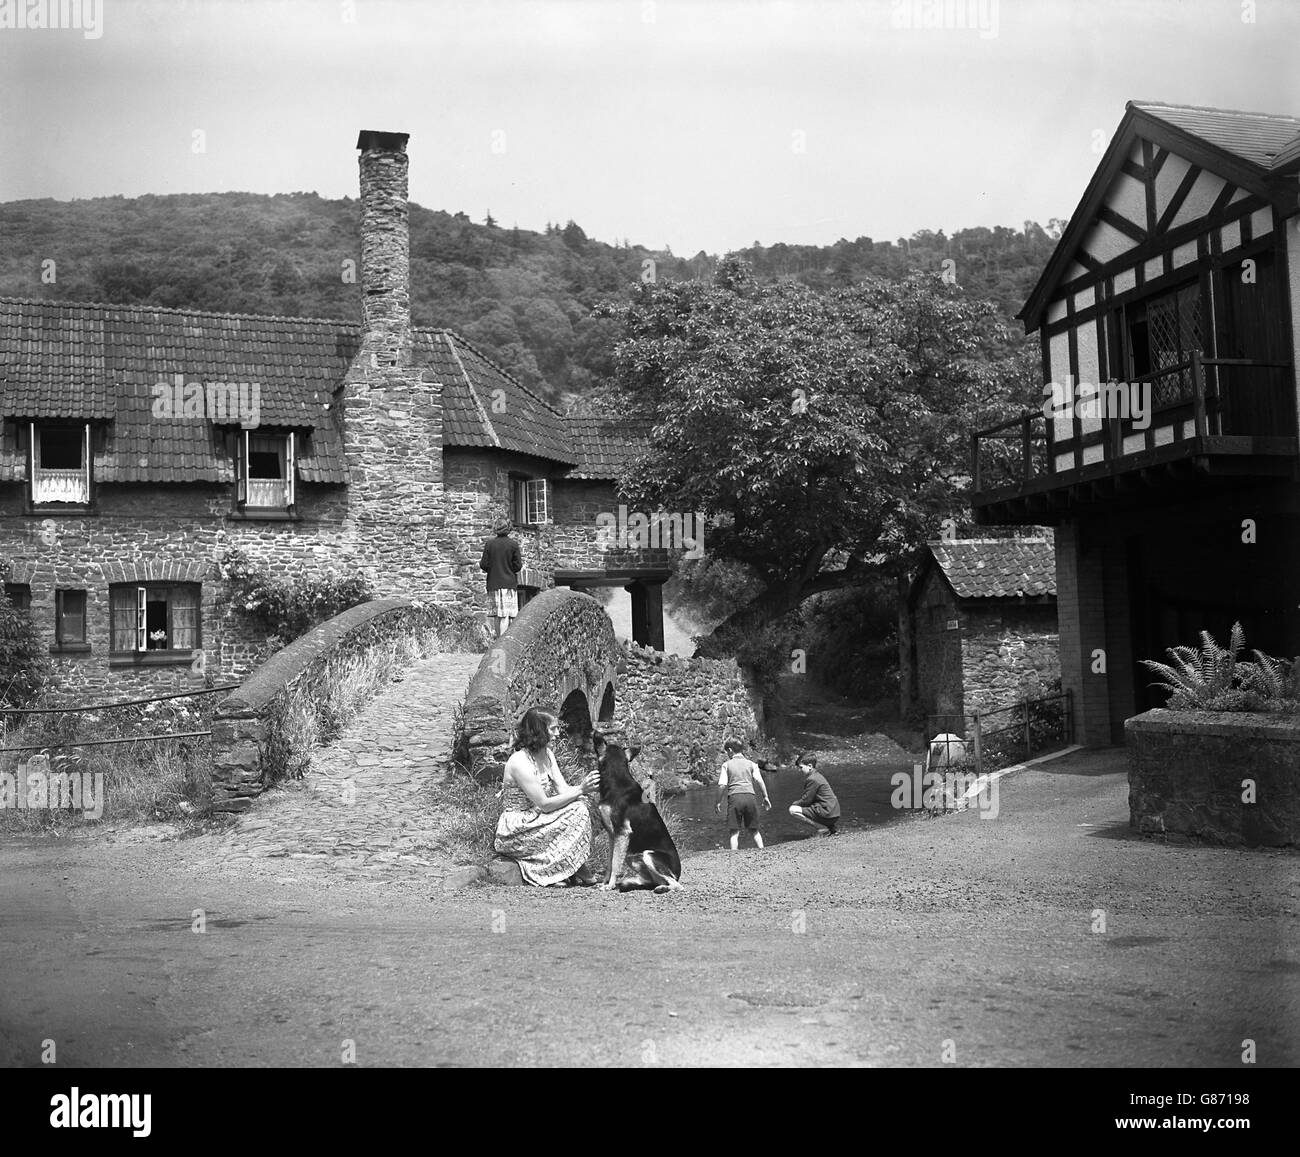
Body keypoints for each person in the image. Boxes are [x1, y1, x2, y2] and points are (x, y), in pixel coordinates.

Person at [494, 708, 600, 887]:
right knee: (578, 808)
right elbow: (544, 804)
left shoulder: (547, 755)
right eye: (553, 729)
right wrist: (581, 789)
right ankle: (557, 870)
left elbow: (563, 789)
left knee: (584, 804)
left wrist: (587, 789)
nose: (558, 733)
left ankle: (571, 864)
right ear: (539, 731)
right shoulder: (519, 762)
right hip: (518, 826)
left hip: (537, 816)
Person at [714, 738, 771, 851]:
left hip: (735, 797)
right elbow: (760, 781)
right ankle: (762, 850)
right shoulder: (752, 764)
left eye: (727, 752)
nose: (727, 754)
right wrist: (765, 797)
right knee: (754, 828)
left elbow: (722, 785)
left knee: (734, 831)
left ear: (730, 750)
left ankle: (734, 854)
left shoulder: (726, 765)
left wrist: (718, 801)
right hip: (750, 797)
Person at [479, 520, 522, 638]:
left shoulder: (490, 544)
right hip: (509, 583)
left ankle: (498, 640)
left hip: (493, 583)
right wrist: (508, 568)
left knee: (498, 615)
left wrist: (494, 569)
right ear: (508, 528)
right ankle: (503, 643)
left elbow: (483, 564)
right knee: (507, 615)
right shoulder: (513, 544)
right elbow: (518, 566)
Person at [788, 752, 841, 836]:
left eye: (801, 767)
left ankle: (822, 828)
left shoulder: (812, 779)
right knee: (813, 805)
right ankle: (831, 828)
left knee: (792, 809)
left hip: (827, 812)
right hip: (834, 813)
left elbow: (806, 800)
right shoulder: (818, 775)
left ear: (809, 766)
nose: (799, 770)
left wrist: (795, 803)